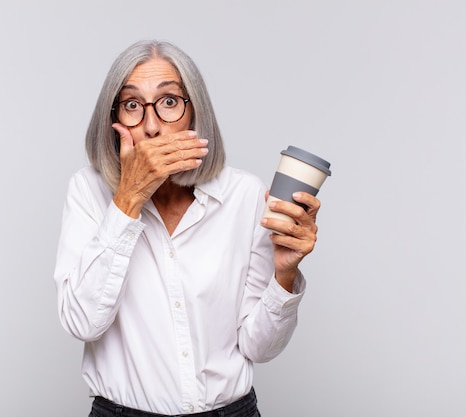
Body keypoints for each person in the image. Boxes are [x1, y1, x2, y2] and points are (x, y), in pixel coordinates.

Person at [54, 40, 321, 417]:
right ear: (112, 120)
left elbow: (260, 348)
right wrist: (127, 200)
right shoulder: (88, 191)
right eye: (132, 105)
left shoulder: (242, 195)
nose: (150, 126)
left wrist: (285, 274)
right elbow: (82, 322)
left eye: (169, 102)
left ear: (194, 114)